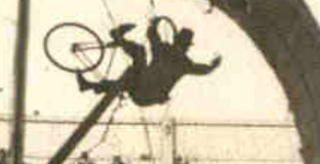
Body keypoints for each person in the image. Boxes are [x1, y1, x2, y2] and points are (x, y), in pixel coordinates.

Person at [77, 17, 222, 107]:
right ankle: (118, 39)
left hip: (147, 94)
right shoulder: (184, 62)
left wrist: (154, 24)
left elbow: (152, 35)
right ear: (186, 46)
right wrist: (215, 64)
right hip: (145, 91)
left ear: (176, 40)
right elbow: (206, 70)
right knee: (138, 57)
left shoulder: (166, 50)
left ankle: (91, 84)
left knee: (137, 60)